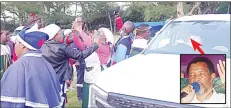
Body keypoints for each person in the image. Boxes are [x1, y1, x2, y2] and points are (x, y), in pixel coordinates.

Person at [1, 25, 62, 107]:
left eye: (16, 43)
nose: (14, 46)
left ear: (23, 45)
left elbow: (11, 102)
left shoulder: (18, 67)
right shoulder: (46, 64)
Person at [40, 24, 99, 108]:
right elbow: (80, 55)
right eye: (60, 33)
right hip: (59, 80)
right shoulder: (62, 48)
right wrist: (95, 45)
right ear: (54, 36)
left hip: (46, 79)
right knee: (59, 101)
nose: (62, 35)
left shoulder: (43, 46)